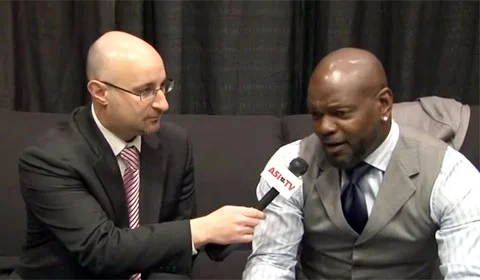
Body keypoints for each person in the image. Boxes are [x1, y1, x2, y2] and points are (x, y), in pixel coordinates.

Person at [11, 31, 264, 279]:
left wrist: (194, 236)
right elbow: (102, 250)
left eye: (163, 86)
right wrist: (201, 229)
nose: (163, 103)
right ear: (100, 92)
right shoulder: (50, 159)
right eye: (145, 91)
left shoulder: (175, 144)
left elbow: (176, 255)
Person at [243, 47, 480, 279]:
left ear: (384, 104)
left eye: (342, 113)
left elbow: (467, 272)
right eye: (317, 115)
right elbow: (272, 261)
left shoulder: (449, 173)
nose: (324, 127)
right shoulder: (291, 164)